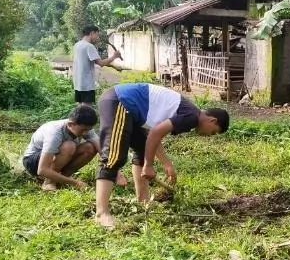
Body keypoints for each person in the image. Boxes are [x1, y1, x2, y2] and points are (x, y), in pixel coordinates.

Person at [94, 82, 230, 228]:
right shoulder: (192, 117)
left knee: (141, 148)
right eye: (213, 132)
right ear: (212, 120)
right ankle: (101, 213)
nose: (209, 136)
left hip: (131, 109)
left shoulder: (190, 113)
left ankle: (143, 201)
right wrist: (149, 165)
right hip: (121, 101)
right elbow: (155, 133)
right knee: (114, 157)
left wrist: (167, 164)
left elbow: (154, 136)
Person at [22, 105, 100, 191]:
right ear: (70, 124)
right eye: (83, 130)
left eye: (88, 130)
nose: (85, 133)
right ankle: (49, 181)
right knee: (69, 146)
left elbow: (101, 148)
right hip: (33, 161)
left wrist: (113, 169)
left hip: (55, 158)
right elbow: (42, 169)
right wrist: (75, 183)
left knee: (90, 147)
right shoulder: (54, 133)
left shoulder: (84, 128)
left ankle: (62, 178)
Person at [72, 25, 121, 105]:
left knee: (80, 106)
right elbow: (101, 63)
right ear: (92, 33)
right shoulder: (89, 46)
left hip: (78, 82)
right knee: (86, 107)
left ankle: (79, 118)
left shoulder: (77, 45)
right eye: (97, 35)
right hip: (86, 83)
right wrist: (114, 57)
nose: (97, 38)